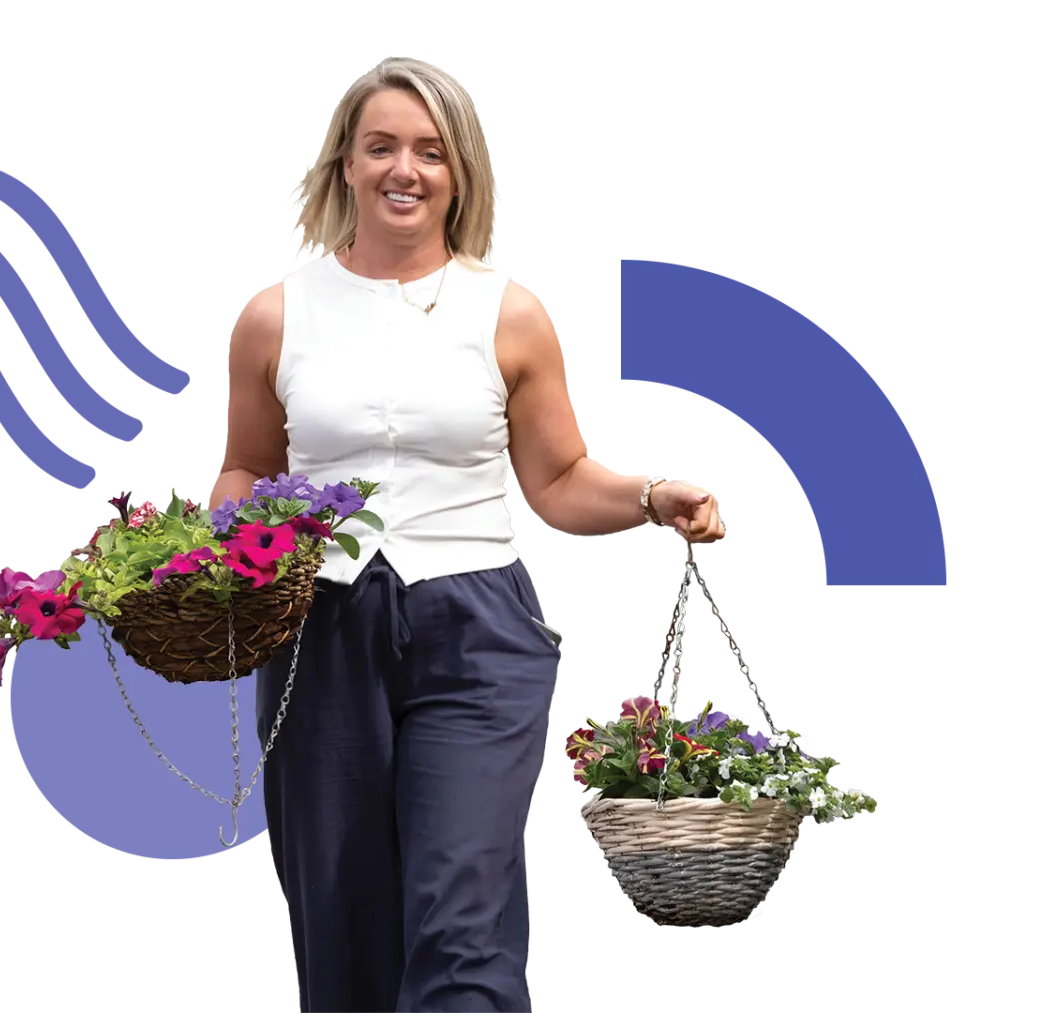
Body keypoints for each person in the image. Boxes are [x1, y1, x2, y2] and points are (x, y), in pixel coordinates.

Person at [208, 57, 725, 1013]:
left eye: (429, 151)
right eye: (382, 147)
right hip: (318, 627)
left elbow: (559, 483)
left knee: (462, 914)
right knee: (342, 915)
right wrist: (226, 533)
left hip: (476, 628)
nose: (406, 169)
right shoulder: (275, 315)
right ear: (346, 167)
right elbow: (244, 466)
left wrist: (654, 497)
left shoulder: (512, 313)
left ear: (459, 173)